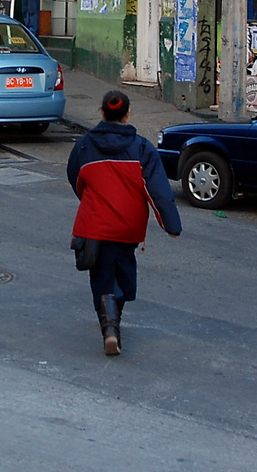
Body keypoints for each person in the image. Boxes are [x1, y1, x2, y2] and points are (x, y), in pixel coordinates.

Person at [66, 91, 181, 356]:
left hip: (94, 226)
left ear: (102, 112)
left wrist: (91, 200)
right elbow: (159, 191)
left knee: (102, 277)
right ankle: (114, 321)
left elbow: (76, 178)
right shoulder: (142, 148)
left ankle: (109, 328)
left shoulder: (84, 146)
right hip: (129, 228)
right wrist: (170, 225)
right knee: (123, 275)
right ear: (127, 114)